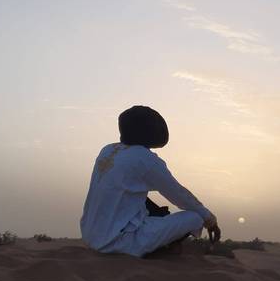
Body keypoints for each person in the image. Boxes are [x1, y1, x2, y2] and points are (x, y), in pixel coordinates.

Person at [80, 105, 221, 257]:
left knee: (141, 200)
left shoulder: (107, 150)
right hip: (117, 242)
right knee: (195, 218)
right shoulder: (145, 159)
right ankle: (157, 251)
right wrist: (209, 220)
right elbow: (179, 195)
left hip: (90, 237)